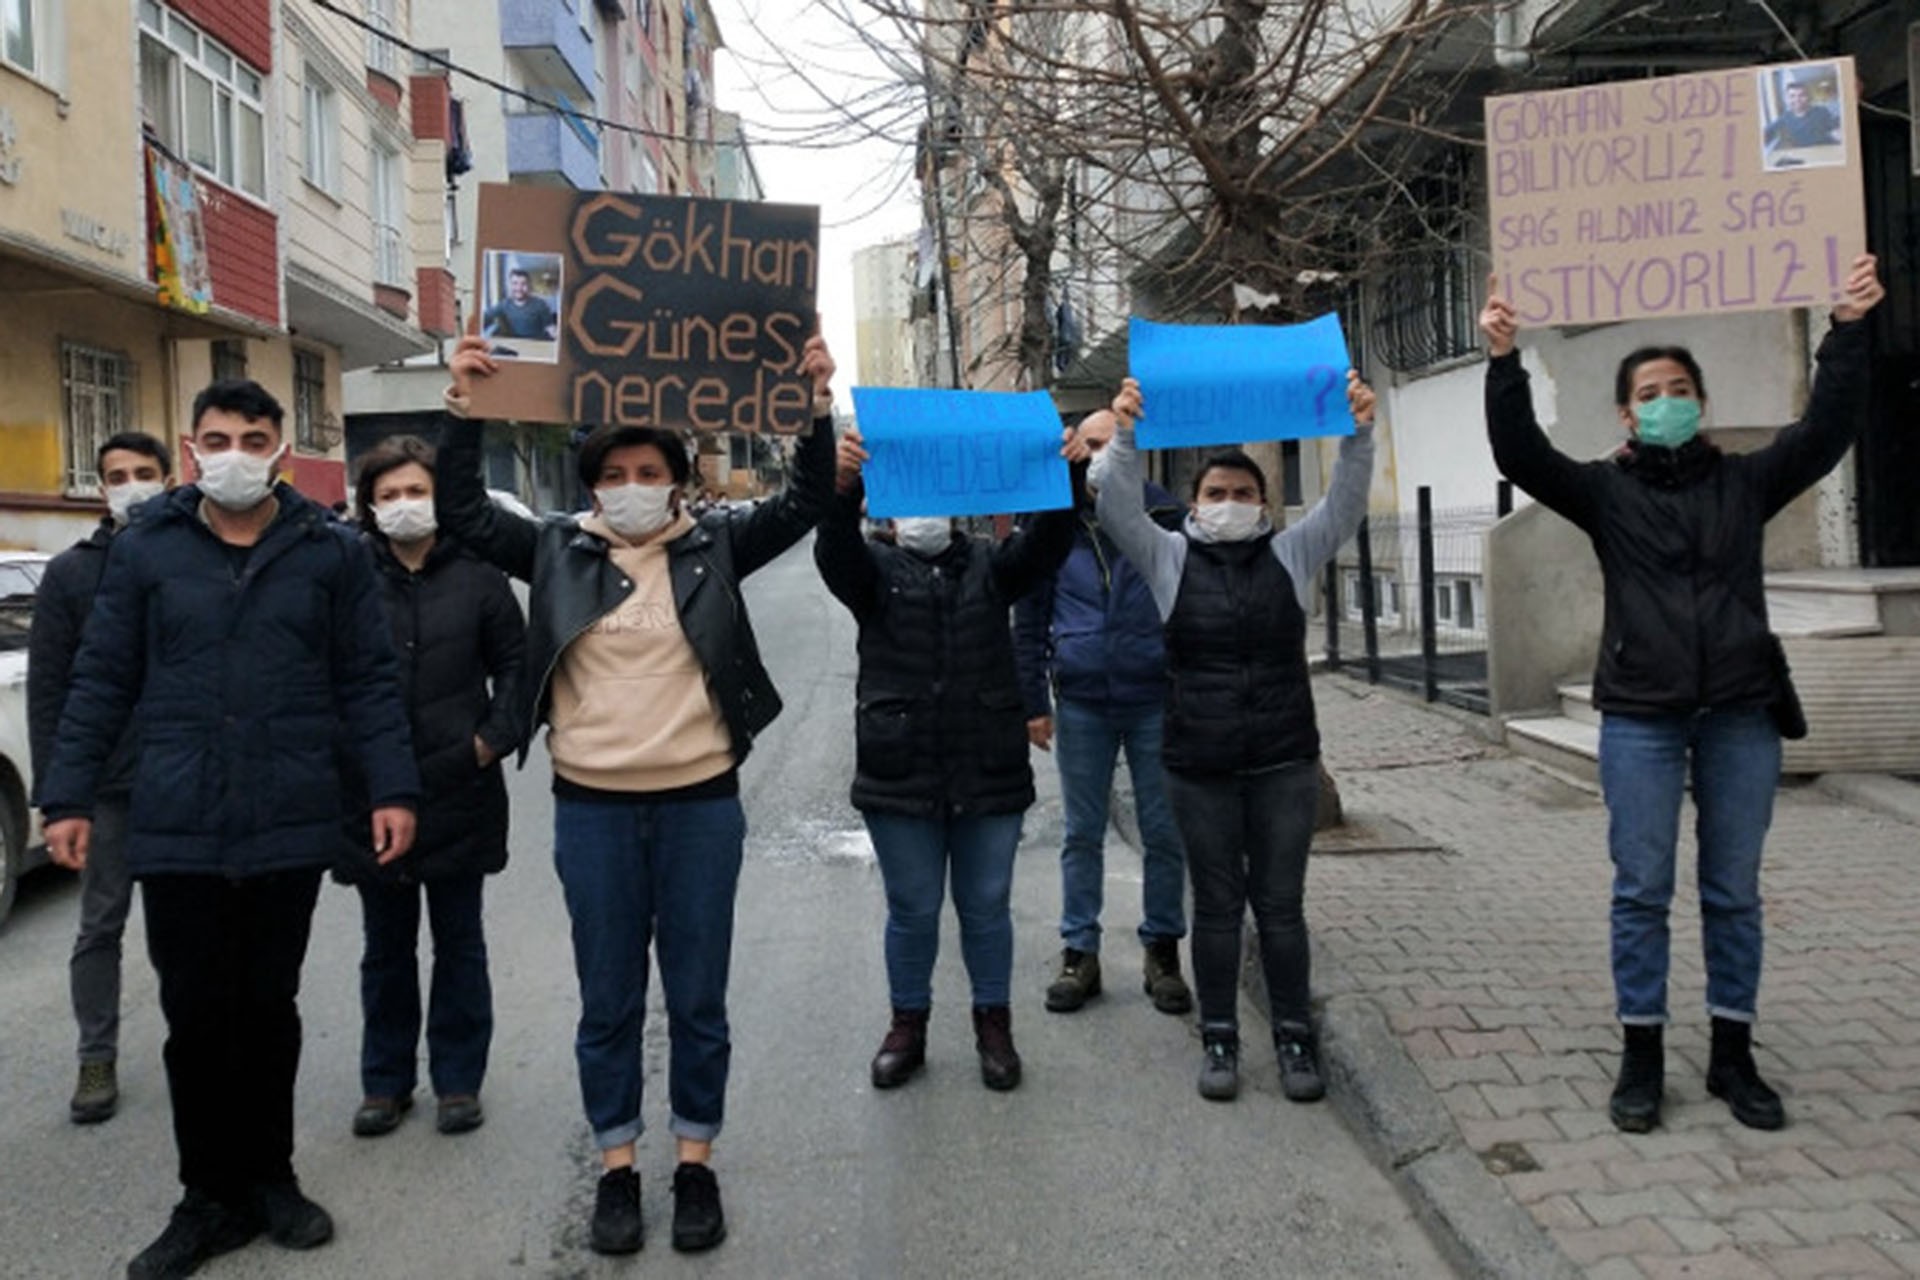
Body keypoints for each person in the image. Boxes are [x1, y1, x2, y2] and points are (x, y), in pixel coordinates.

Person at [435, 330, 837, 1257]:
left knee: (698, 998)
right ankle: (617, 1167)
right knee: (608, 1000)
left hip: (701, 807)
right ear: (591, 484)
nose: (630, 482)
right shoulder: (552, 551)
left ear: (677, 476)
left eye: (647, 467)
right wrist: (465, 404)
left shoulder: (719, 546)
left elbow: (811, 499)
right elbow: (461, 511)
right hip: (593, 814)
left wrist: (816, 403)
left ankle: (694, 1160)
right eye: (612, 470)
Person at [1479, 255, 1884, 1135]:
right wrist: (1504, 361)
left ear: (1700, 401)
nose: (1666, 399)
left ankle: (1734, 1052)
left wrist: (1848, 331)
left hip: (1741, 712)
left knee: (1733, 890)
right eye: (1649, 390)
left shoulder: (1745, 481)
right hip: (1642, 721)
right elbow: (1521, 453)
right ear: (1626, 413)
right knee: (1641, 889)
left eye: (1679, 387)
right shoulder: (1604, 492)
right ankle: (1642, 1054)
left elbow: (1823, 432)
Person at [38, 379, 419, 1280]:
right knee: (195, 1018)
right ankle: (207, 1196)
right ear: (192, 444)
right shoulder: (147, 550)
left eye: (255, 437)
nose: (236, 454)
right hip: (178, 820)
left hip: (288, 815)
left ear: (281, 450)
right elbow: (100, 680)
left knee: (269, 1009)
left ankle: (272, 1180)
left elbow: (367, 681)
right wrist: (68, 798)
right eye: (219, 438)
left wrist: (391, 790)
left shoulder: (329, 553)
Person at [1102, 369, 1378, 1104]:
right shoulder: (1169, 558)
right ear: (1192, 504)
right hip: (1200, 766)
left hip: (1284, 762)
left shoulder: (1291, 556)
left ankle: (1295, 1035)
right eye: (1215, 494)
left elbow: (1345, 506)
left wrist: (1359, 432)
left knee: (1281, 908)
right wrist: (1125, 435)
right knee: (1218, 907)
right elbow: (1115, 508)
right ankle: (1219, 1034)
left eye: (1244, 493)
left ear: (1264, 503)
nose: (1230, 504)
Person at [815, 425, 1083, 1093]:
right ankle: (907, 1026)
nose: (924, 513)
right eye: (910, 498)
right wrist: (840, 489)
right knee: (911, 908)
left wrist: (1066, 476)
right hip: (899, 769)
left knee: (986, 906)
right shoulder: (871, 573)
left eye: (936, 497)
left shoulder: (995, 565)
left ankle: (994, 1025)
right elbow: (834, 549)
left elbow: (1050, 543)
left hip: (986, 765)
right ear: (890, 505)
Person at [340, 436, 526, 1141]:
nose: (403, 506)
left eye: (415, 491)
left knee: (459, 940)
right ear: (368, 506)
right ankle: (384, 1082)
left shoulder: (479, 575)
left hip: (461, 783)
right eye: (387, 495)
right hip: (374, 790)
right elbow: (329, 669)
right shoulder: (350, 573)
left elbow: (516, 663)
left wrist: (492, 738)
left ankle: (457, 1080)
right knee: (385, 947)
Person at [1011, 408, 1192, 1017]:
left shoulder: (1168, 519)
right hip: (1083, 700)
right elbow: (1029, 616)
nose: (1097, 459)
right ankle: (1078, 952)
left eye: (1109, 447)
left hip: (1155, 699)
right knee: (1080, 833)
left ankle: (1162, 949)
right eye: (1087, 446)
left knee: (1164, 833)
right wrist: (1034, 701)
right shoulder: (1053, 524)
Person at [27, 431, 173, 1125]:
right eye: (119, 475)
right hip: (110, 786)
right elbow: (50, 690)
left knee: (186, 929)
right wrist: (60, 797)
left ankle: (194, 1043)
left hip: (180, 777)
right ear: (100, 486)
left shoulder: (190, 557)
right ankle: (96, 1056)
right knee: (100, 924)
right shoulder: (70, 574)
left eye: (145, 472)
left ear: (169, 478)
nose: (133, 485)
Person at [483, 267, 558, 341]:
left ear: (529, 286)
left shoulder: (541, 304)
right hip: (516, 344)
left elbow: (550, 327)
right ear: (510, 285)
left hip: (537, 343)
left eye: (523, 284)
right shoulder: (505, 304)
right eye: (515, 283)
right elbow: (487, 315)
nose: (519, 288)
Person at [1764, 80, 1840, 151]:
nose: (1797, 99)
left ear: (1808, 97)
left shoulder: (1822, 111)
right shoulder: (1784, 118)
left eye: (1802, 95)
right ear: (1786, 99)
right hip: (1803, 157)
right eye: (1792, 96)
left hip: (1826, 151)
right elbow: (1766, 134)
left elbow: (1835, 131)